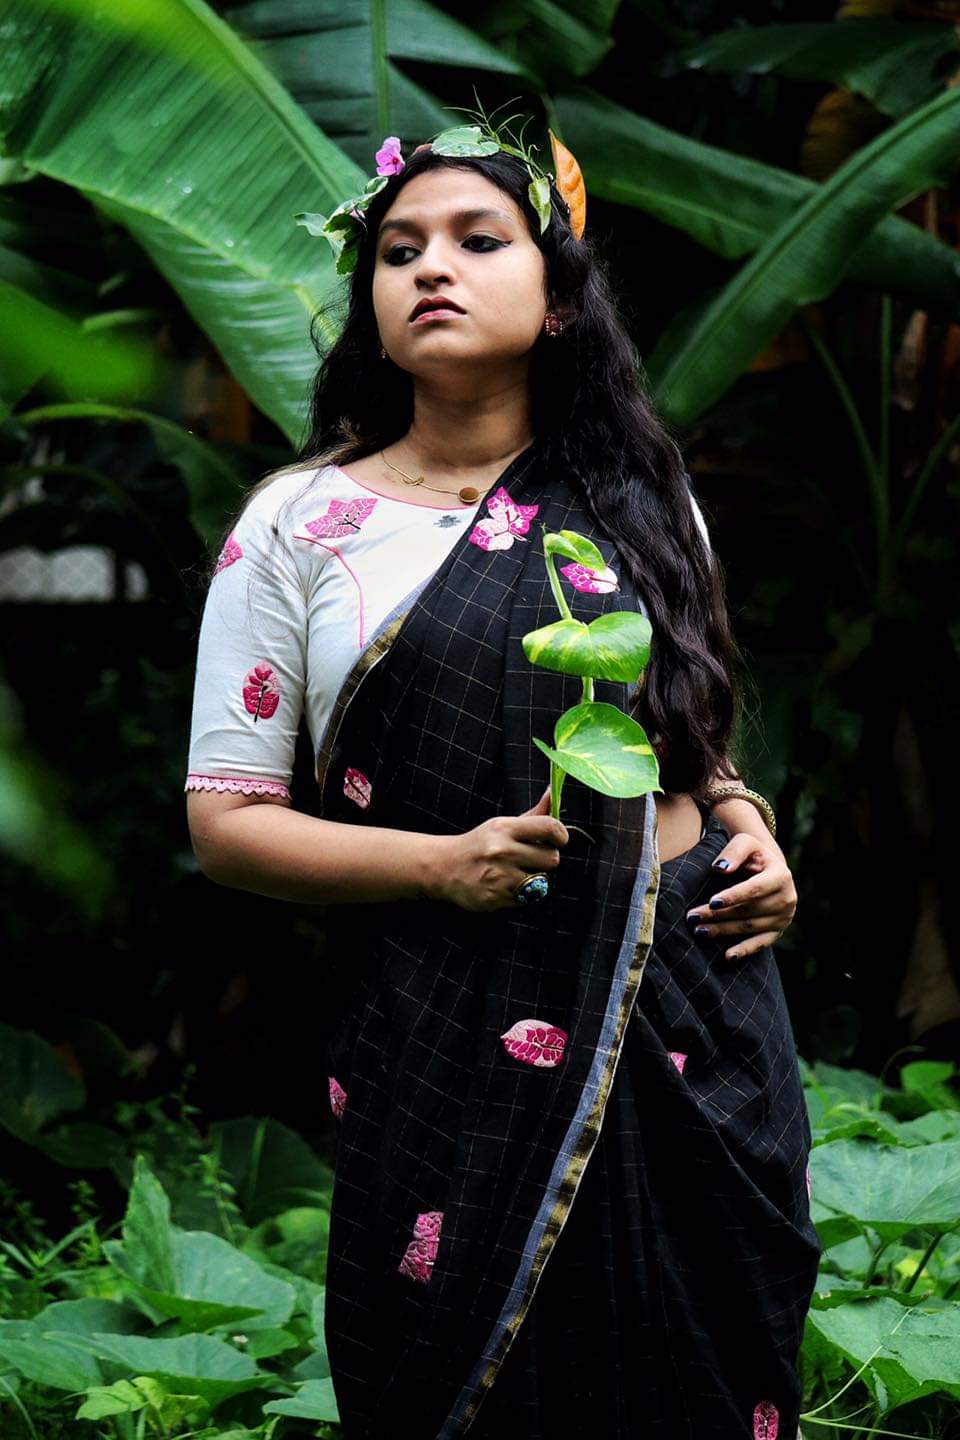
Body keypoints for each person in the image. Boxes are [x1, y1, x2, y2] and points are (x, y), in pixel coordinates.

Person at [184, 115, 820, 1440]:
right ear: (369, 306)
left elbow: (689, 735)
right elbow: (228, 826)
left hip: (689, 997)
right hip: (444, 1007)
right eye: (399, 249)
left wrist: (748, 822)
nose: (432, 267)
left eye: (480, 241)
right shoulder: (299, 526)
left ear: (560, 298)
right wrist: (441, 866)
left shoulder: (645, 498)